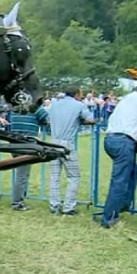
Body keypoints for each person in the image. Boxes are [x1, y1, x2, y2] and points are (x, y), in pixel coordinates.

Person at [99, 79, 137, 228]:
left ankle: (123, 204)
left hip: (112, 139)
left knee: (132, 171)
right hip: (124, 140)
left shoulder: (126, 99)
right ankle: (109, 218)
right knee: (119, 180)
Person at [47, 85, 95, 215]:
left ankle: (54, 205)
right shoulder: (79, 105)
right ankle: (69, 207)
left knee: (54, 176)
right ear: (77, 95)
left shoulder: (55, 104)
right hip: (67, 143)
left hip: (53, 142)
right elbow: (91, 119)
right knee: (74, 176)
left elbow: (48, 119)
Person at [8, 104, 50, 211]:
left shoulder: (15, 106)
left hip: (14, 142)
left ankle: (20, 198)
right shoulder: (36, 107)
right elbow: (47, 119)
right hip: (27, 143)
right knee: (22, 175)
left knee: (21, 174)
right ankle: (17, 202)